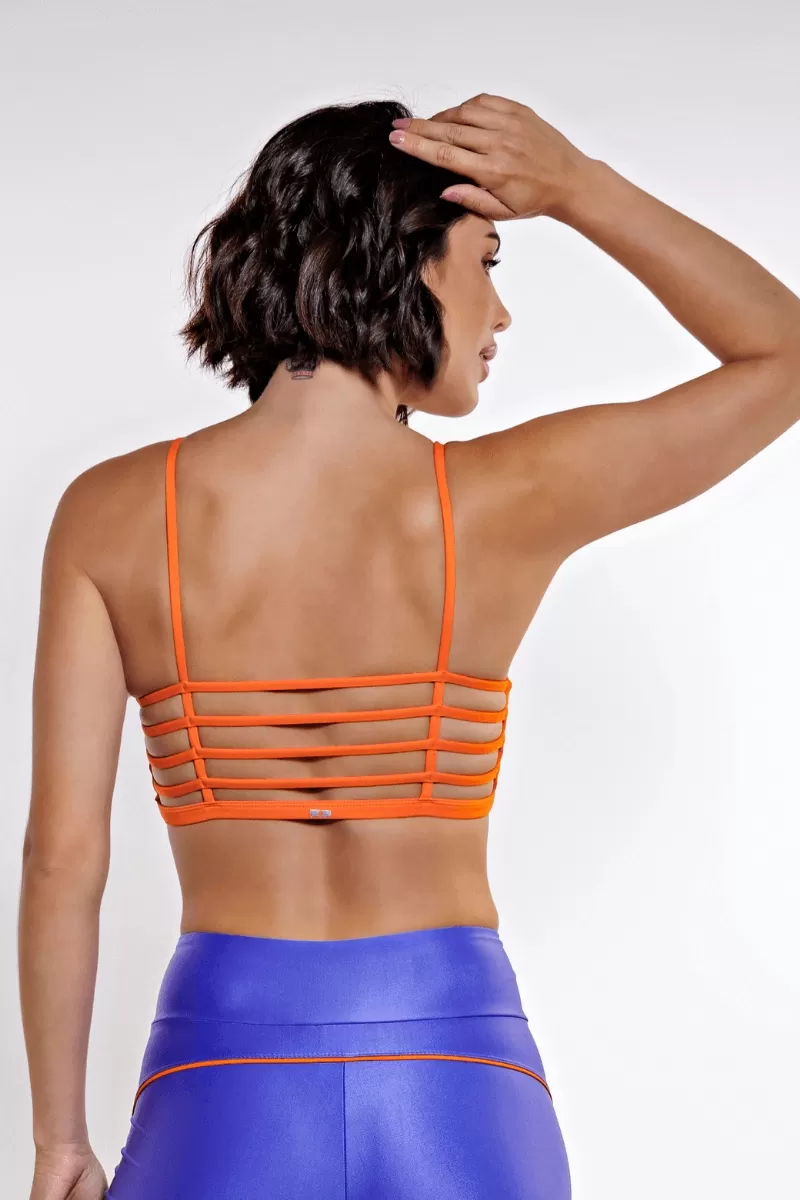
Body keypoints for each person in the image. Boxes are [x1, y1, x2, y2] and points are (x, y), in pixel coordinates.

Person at [18, 92, 800, 1200]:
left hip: (222, 1068)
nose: (501, 313)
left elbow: (62, 859)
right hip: (455, 1069)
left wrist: (59, 1140)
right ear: (404, 259)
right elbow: (783, 353)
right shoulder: (505, 495)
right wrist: (578, 187)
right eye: (487, 261)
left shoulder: (110, 513)